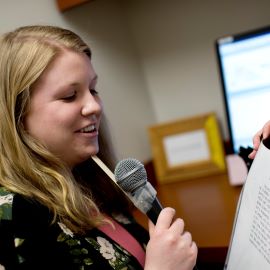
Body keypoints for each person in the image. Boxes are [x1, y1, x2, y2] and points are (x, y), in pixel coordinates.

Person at [0, 25, 197, 270]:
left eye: (92, 89)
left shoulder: (89, 179)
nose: (94, 106)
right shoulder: (13, 217)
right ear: (17, 114)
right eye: (70, 95)